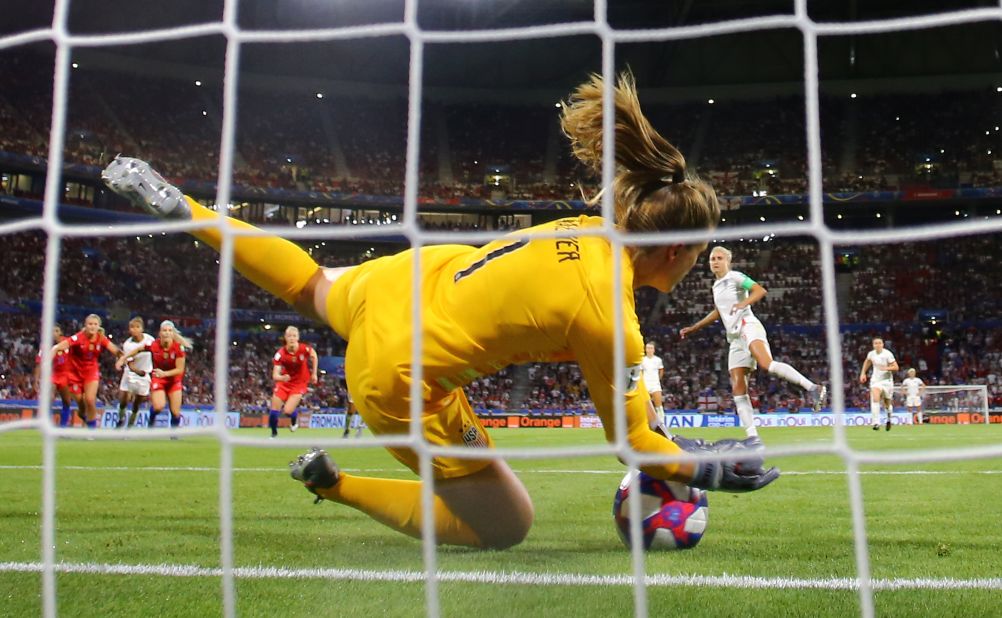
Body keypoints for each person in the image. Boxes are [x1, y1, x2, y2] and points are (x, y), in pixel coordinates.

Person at [102, 70, 777, 550]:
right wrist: (708, 468)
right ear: (682, 248)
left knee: (306, 283)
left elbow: (640, 425)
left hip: (406, 282)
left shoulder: (586, 229)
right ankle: (337, 486)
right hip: (402, 370)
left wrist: (679, 450)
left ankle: (188, 211)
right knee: (505, 525)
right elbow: (629, 444)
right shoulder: (613, 319)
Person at [679, 246, 826, 438]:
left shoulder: (736, 277)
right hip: (734, 339)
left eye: (719, 258)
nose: (715, 261)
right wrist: (694, 328)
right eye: (712, 259)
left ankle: (814, 388)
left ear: (727, 261)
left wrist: (743, 303)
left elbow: (759, 290)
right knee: (738, 387)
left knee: (767, 364)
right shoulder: (715, 286)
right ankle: (752, 437)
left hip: (748, 325)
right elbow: (718, 311)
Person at [116, 320, 192, 433]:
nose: (167, 333)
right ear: (160, 333)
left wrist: (165, 373)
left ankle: (174, 433)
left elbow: (180, 369)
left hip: (174, 381)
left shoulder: (178, 349)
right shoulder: (154, 345)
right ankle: (151, 419)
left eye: (169, 331)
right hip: (159, 379)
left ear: (173, 334)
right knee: (158, 407)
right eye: (164, 330)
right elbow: (138, 349)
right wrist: (123, 358)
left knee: (175, 412)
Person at [52, 314, 122, 429]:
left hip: (91, 372)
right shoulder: (78, 338)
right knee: (81, 403)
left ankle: (92, 429)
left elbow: (115, 350)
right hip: (74, 374)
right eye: (90, 324)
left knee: (90, 399)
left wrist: (124, 358)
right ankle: (83, 414)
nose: (92, 327)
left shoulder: (100, 338)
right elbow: (58, 347)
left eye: (95, 324)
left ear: (99, 326)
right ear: (85, 325)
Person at [269, 325, 319, 438]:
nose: (292, 338)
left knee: (287, 411)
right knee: (274, 412)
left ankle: (294, 420)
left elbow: (314, 355)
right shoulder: (280, 354)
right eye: (289, 336)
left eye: (294, 336)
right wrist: (282, 378)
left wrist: (314, 373)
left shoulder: (303, 349)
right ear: (285, 338)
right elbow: (275, 375)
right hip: (284, 383)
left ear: (298, 338)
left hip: (299, 384)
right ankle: (273, 434)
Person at [117, 317, 155, 429]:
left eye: (137, 327)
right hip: (131, 374)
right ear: (129, 329)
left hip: (144, 375)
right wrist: (139, 372)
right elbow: (130, 364)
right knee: (124, 400)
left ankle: (130, 426)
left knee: (137, 404)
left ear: (142, 328)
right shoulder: (127, 345)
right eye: (132, 327)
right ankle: (120, 419)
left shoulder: (150, 340)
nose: (135, 329)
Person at [33, 325, 74, 427]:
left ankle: (63, 426)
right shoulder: (45, 346)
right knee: (49, 398)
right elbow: (39, 363)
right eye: (52, 331)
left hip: (65, 375)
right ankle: (48, 424)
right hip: (52, 375)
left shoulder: (67, 342)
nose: (54, 333)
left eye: (56, 331)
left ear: (60, 332)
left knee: (67, 401)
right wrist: (36, 380)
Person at [860, 336, 899, 431]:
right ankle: (876, 423)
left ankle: (889, 419)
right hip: (876, 380)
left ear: (882, 344)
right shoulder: (871, 354)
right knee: (875, 398)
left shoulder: (887, 354)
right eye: (875, 343)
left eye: (879, 343)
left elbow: (896, 367)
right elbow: (867, 361)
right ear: (873, 345)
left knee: (887, 404)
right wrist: (863, 373)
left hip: (887, 381)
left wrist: (886, 368)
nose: (877, 345)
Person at [640, 342, 665, 428]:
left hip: (655, 385)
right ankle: (645, 423)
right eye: (647, 348)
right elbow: (641, 371)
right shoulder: (642, 360)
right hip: (645, 384)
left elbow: (661, 370)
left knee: (659, 406)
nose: (649, 350)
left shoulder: (658, 360)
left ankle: (662, 423)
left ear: (654, 350)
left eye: (651, 348)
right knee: (644, 405)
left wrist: (658, 379)